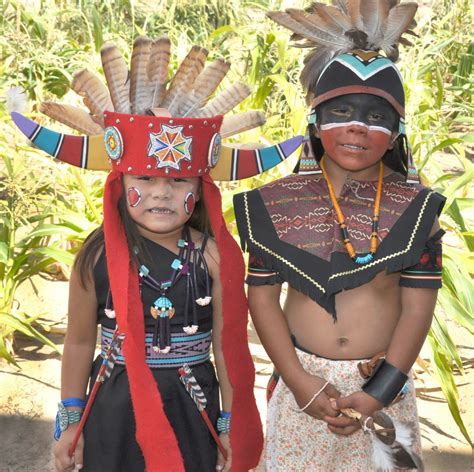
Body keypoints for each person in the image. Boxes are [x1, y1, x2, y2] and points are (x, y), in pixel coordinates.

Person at [11, 36, 300, 472]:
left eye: (180, 181)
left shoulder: (214, 256)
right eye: (144, 178)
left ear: (201, 189)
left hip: (191, 407)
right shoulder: (96, 255)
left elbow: (227, 348)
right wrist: (70, 422)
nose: (161, 192)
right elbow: (78, 341)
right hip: (112, 408)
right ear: (120, 182)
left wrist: (228, 423)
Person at [233, 2, 444, 470]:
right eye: (342, 110)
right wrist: (299, 380)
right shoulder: (275, 206)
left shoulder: (417, 210)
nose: (357, 126)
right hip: (303, 385)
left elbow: (416, 310)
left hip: (384, 385)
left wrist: (380, 391)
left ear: (396, 133)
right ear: (314, 119)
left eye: (376, 116)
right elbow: (263, 298)